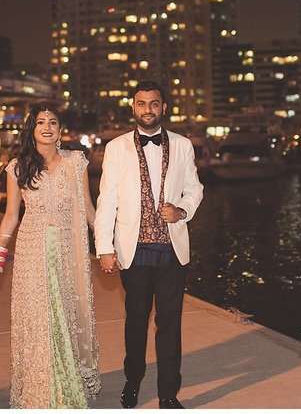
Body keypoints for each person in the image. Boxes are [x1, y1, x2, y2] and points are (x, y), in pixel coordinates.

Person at [94, 81, 203, 409]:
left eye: (154, 104)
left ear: (164, 107)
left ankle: (169, 393)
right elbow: (107, 200)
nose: (148, 109)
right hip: (134, 250)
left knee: (170, 323)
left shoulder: (183, 145)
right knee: (136, 321)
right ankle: (133, 381)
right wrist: (104, 247)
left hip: (172, 251)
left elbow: (195, 188)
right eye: (142, 103)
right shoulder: (116, 148)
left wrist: (181, 210)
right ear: (133, 107)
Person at [0, 106, 101, 408]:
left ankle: (66, 384)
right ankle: (42, 388)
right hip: (31, 252)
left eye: (53, 122)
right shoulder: (17, 167)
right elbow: (11, 217)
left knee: (63, 316)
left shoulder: (76, 163)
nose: (47, 127)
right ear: (31, 130)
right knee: (39, 321)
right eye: (40, 122)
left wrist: (109, 245)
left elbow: (88, 209)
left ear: (61, 130)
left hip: (66, 250)